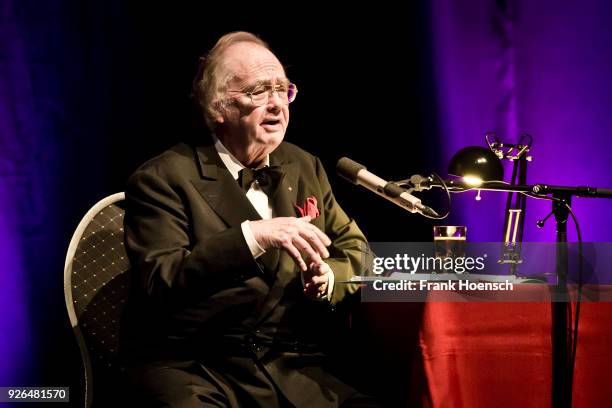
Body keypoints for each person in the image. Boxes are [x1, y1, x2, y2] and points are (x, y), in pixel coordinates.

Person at [121, 31, 375, 407]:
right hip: (197, 368)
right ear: (217, 108)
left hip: (290, 367)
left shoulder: (304, 165)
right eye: (259, 92)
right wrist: (252, 236)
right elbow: (163, 279)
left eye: (282, 90)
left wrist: (328, 277)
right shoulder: (163, 178)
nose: (276, 105)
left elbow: (358, 250)